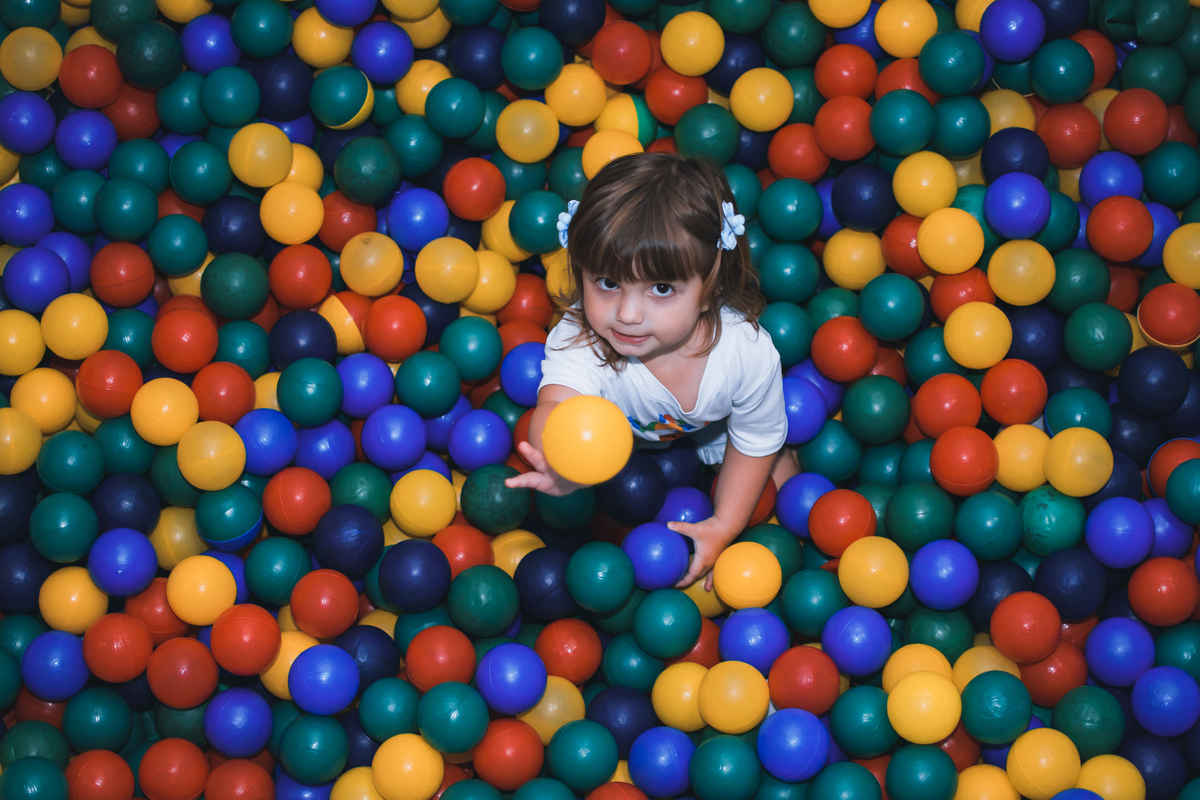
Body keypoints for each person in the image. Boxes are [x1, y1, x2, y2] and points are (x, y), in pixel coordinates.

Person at [505, 152, 798, 589]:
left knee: (779, 477)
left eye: (661, 289)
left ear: (708, 289)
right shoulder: (581, 338)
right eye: (607, 282)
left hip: (711, 429)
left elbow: (755, 440)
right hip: (619, 456)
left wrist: (724, 526)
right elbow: (557, 406)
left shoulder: (746, 353)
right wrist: (560, 460)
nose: (626, 313)